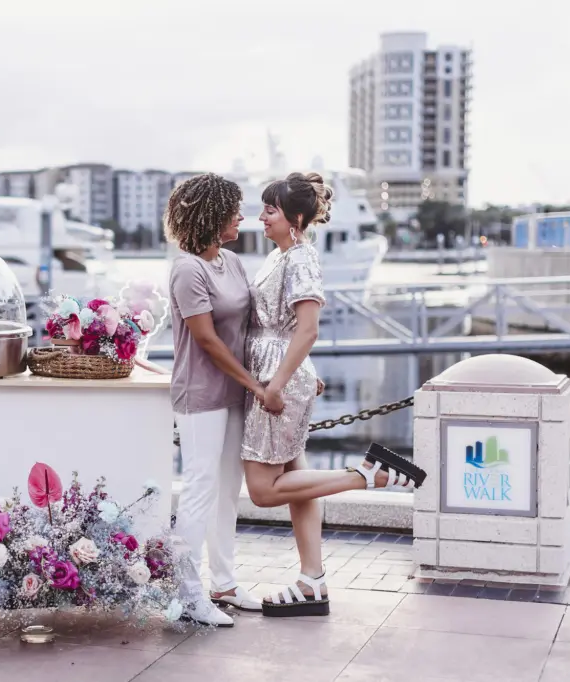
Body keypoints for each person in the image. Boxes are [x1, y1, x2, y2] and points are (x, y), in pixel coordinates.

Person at [240, 172, 427, 618]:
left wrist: (279, 384)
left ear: (296, 217)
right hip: (279, 370)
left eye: (271, 210)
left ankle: (367, 474)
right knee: (299, 484)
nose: (262, 217)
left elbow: (308, 329)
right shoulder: (281, 255)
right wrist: (298, 372)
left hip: (275, 380)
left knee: (264, 491)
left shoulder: (300, 259)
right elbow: (290, 331)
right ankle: (312, 581)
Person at [165, 173, 266, 627]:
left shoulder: (231, 261)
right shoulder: (188, 269)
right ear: (211, 214)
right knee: (200, 489)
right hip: (202, 394)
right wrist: (257, 386)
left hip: (235, 391)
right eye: (234, 210)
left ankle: (223, 582)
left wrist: (287, 375)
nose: (241, 217)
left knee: (228, 490)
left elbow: (250, 330)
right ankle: (187, 593)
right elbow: (206, 340)